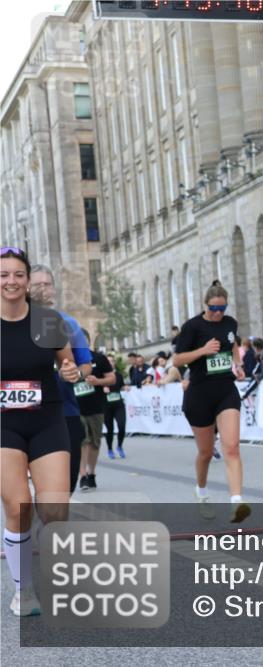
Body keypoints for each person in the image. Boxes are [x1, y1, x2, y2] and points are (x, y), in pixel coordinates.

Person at [1, 247, 80, 615]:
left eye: (18, 274)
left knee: (55, 509)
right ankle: (24, 590)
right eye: (4, 275)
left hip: (46, 418)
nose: (11, 281)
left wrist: (70, 371)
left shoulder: (47, 320)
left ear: (27, 279)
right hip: (4, 424)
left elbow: (67, 363)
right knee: (19, 507)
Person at [171, 283, 250, 523]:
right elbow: (177, 359)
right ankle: (202, 492)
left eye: (222, 308)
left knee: (232, 447)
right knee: (205, 452)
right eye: (213, 308)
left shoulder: (230, 323)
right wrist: (202, 351)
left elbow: (233, 345)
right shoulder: (192, 327)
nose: (217, 313)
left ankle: (236, 501)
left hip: (226, 390)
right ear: (205, 305)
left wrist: (238, 364)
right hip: (199, 393)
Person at [29, 264, 93, 495]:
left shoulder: (69, 324)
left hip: (65, 411)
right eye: (37, 284)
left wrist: (75, 374)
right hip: (22, 413)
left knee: (66, 485)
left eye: (47, 284)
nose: (42, 289)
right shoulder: (12, 323)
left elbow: (85, 365)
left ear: (54, 289)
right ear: (26, 287)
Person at [74, 329, 116, 491]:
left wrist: (98, 381)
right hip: (76, 408)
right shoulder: (69, 360)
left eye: (83, 340)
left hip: (96, 406)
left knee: (95, 442)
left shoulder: (99, 358)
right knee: (83, 441)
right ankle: (83, 475)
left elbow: (112, 378)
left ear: (88, 341)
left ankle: (91, 473)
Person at [103, 362, 128, 460]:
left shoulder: (118, 375)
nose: (110, 363)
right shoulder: (101, 375)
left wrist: (125, 387)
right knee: (110, 429)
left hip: (119, 404)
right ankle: (110, 449)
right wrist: (102, 388)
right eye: (108, 361)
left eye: (112, 361)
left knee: (122, 426)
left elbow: (121, 385)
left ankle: (119, 446)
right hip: (106, 406)